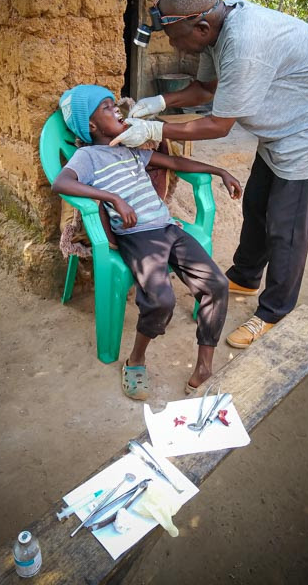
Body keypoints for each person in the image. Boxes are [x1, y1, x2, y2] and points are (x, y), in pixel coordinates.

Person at [112, 0, 308, 349]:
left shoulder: (243, 44)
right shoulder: (216, 31)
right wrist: (159, 102)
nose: (176, 48)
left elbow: (218, 125)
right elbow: (206, 89)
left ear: (202, 26)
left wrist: (154, 130)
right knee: (257, 202)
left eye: (176, 39)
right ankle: (246, 274)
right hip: (284, 121)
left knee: (287, 227)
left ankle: (274, 312)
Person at [52, 84, 242, 400]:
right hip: (137, 237)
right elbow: (62, 182)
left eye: (115, 105)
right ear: (91, 126)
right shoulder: (88, 156)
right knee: (161, 300)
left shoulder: (131, 149)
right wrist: (112, 198)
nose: (117, 110)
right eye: (107, 107)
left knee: (217, 285)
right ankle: (136, 359)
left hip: (168, 228)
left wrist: (219, 170)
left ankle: (204, 368)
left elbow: (177, 165)